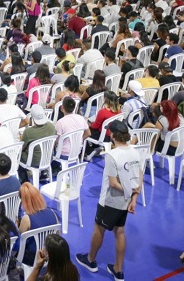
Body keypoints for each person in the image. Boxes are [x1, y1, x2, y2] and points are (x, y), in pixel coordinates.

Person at [76, 120, 142, 281]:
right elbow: (138, 177)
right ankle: (118, 269)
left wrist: (129, 192)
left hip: (110, 201)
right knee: (120, 232)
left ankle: (90, 260)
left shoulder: (112, 155)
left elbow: (113, 183)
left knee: (99, 229)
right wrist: (134, 197)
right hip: (125, 201)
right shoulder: (135, 151)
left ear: (113, 135)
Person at [18, 105, 56, 183]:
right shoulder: (52, 127)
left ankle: (24, 180)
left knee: (17, 155)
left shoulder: (28, 132)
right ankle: (44, 173)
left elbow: (22, 148)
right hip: (48, 158)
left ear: (32, 117)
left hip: (33, 161)